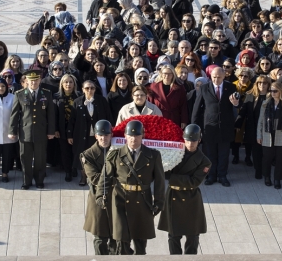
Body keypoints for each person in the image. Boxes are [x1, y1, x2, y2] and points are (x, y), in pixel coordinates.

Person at [96, 120, 165, 255]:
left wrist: (159, 203)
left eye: (137, 136)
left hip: (142, 201)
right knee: (122, 243)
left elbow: (160, 182)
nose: (134, 139)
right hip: (121, 200)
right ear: (125, 137)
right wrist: (100, 195)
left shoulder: (153, 155)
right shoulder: (116, 154)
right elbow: (105, 177)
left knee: (140, 244)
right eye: (130, 136)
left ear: (142, 136)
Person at [158, 124, 211, 255]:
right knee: (173, 236)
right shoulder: (174, 152)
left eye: (193, 140)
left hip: (191, 198)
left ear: (199, 141)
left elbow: (194, 182)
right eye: (187, 140)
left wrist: (172, 177)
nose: (190, 143)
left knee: (192, 236)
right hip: (173, 195)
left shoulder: (204, 161)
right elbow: (163, 171)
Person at [191, 66, 240, 187]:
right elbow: (196, 110)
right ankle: (211, 175)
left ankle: (222, 176)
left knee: (224, 154)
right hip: (209, 127)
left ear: (224, 76)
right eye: (214, 77)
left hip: (225, 126)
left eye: (219, 77)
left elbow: (238, 106)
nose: (216, 80)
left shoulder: (231, 87)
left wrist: (236, 104)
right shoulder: (204, 88)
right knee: (210, 154)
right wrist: (195, 129)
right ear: (210, 77)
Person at [9, 70, 57, 190]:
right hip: (25, 131)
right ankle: (27, 181)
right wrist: (12, 131)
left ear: (40, 80)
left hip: (41, 131)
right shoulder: (19, 94)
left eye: (36, 80)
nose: (34, 83)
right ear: (27, 81)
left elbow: (51, 114)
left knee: (40, 158)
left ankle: (39, 180)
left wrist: (51, 131)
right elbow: (14, 114)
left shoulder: (46, 93)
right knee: (25, 158)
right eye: (31, 80)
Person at [81, 120, 116, 255]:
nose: (104, 138)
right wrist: (116, 178)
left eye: (106, 135)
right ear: (95, 136)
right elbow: (94, 178)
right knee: (100, 238)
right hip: (99, 200)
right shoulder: (88, 155)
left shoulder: (117, 150)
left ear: (111, 135)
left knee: (116, 237)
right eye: (100, 135)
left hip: (115, 200)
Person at [68, 80, 111, 186]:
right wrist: (69, 135)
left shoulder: (102, 100)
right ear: (82, 89)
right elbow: (72, 120)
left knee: (100, 155)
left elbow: (109, 116)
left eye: (92, 88)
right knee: (83, 156)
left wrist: (110, 131)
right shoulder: (77, 101)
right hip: (82, 135)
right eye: (87, 88)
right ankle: (83, 177)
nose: (90, 90)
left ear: (95, 89)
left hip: (99, 136)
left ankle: (99, 178)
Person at [257, 81, 282, 189]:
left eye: (275, 91)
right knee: (267, 158)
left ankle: (277, 179)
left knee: (280, 158)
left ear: (281, 91)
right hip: (267, 133)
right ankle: (267, 177)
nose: (272, 93)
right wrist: (258, 136)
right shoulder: (265, 104)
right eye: (271, 91)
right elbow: (260, 121)